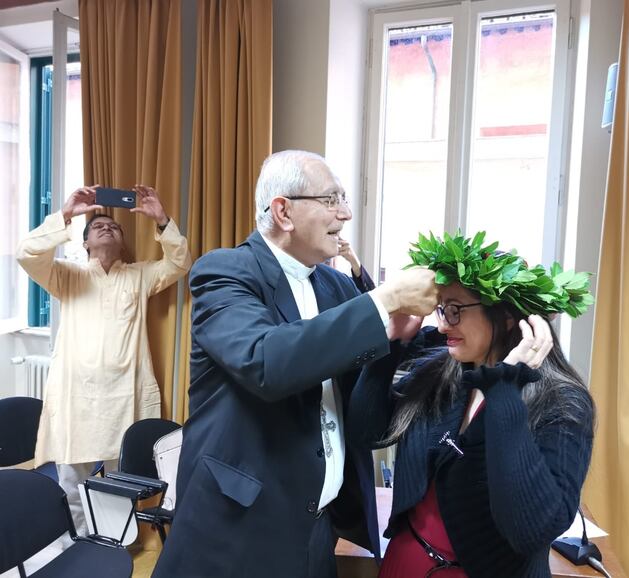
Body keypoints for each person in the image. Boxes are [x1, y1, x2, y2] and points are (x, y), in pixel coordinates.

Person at [152, 150, 439, 578]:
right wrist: (385, 300)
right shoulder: (224, 273)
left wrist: (396, 337)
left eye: (343, 199)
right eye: (330, 199)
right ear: (283, 211)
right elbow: (268, 362)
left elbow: (361, 397)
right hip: (238, 530)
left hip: (316, 527)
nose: (344, 214)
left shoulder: (336, 286)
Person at [346, 232, 596, 578]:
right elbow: (367, 432)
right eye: (441, 308)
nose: (443, 323)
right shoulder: (439, 371)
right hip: (406, 564)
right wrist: (390, 346)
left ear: (507, 315)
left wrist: (505, 390)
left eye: (456, 309)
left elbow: (529, 531)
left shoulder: (561, 402)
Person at [16, 185, 191, 536]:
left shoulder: (139, 275)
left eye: (114, 226)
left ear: (123, 241)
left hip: (124, 396)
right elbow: (26, 253)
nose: (106, 227)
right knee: (72, 480)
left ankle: (115, 542)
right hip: (76, 397)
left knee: (121, 479)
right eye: (97, 226)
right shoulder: (67, 275)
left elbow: (179, 263)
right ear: (84, 244)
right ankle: (80, 542)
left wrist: (161, 219)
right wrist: (66, 213)